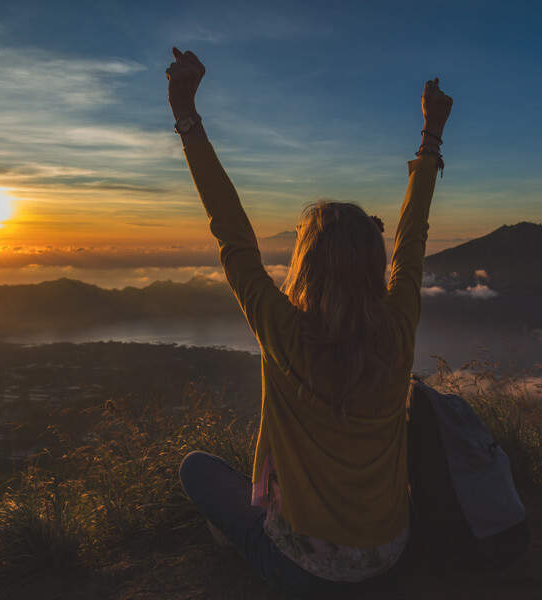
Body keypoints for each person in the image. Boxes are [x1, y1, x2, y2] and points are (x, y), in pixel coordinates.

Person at [167, 47, 451, 595]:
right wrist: (431, 135)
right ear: (373, 264)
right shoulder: (397, 329)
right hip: (393, 553)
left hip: (306, 571)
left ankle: (246, 543)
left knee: (198, 470)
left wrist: (186, 115)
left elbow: (232, 235)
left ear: (307, 266)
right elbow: (412, 241)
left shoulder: (284, 332)